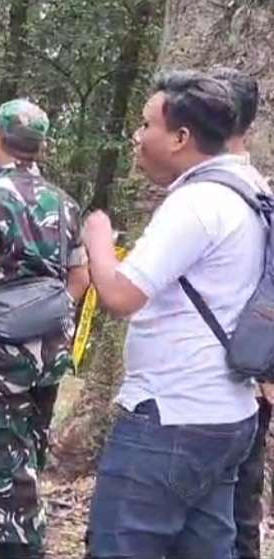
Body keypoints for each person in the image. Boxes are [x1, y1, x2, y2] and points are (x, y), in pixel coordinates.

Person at [83, 71, 263, 558]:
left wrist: (98, 241)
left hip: (170, 417)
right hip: (228, 414)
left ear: (181, 138)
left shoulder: (197, 202)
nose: (139, 137)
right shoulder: (250, 188)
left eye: (147, 125)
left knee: (119, 544)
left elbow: (121, 295)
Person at [0, 100, 90, 558]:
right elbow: (81, 277)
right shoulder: (65, 204)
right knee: (30, 453)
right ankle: (17, 541)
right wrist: (49, 316)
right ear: (41, 147)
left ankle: (18, 548)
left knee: (0, 461)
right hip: (47, 353)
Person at [212, 66, 273, 559]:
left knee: (235, 505)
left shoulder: (251, 194)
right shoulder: (257, 189)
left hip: (245, 373)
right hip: (233, 374)